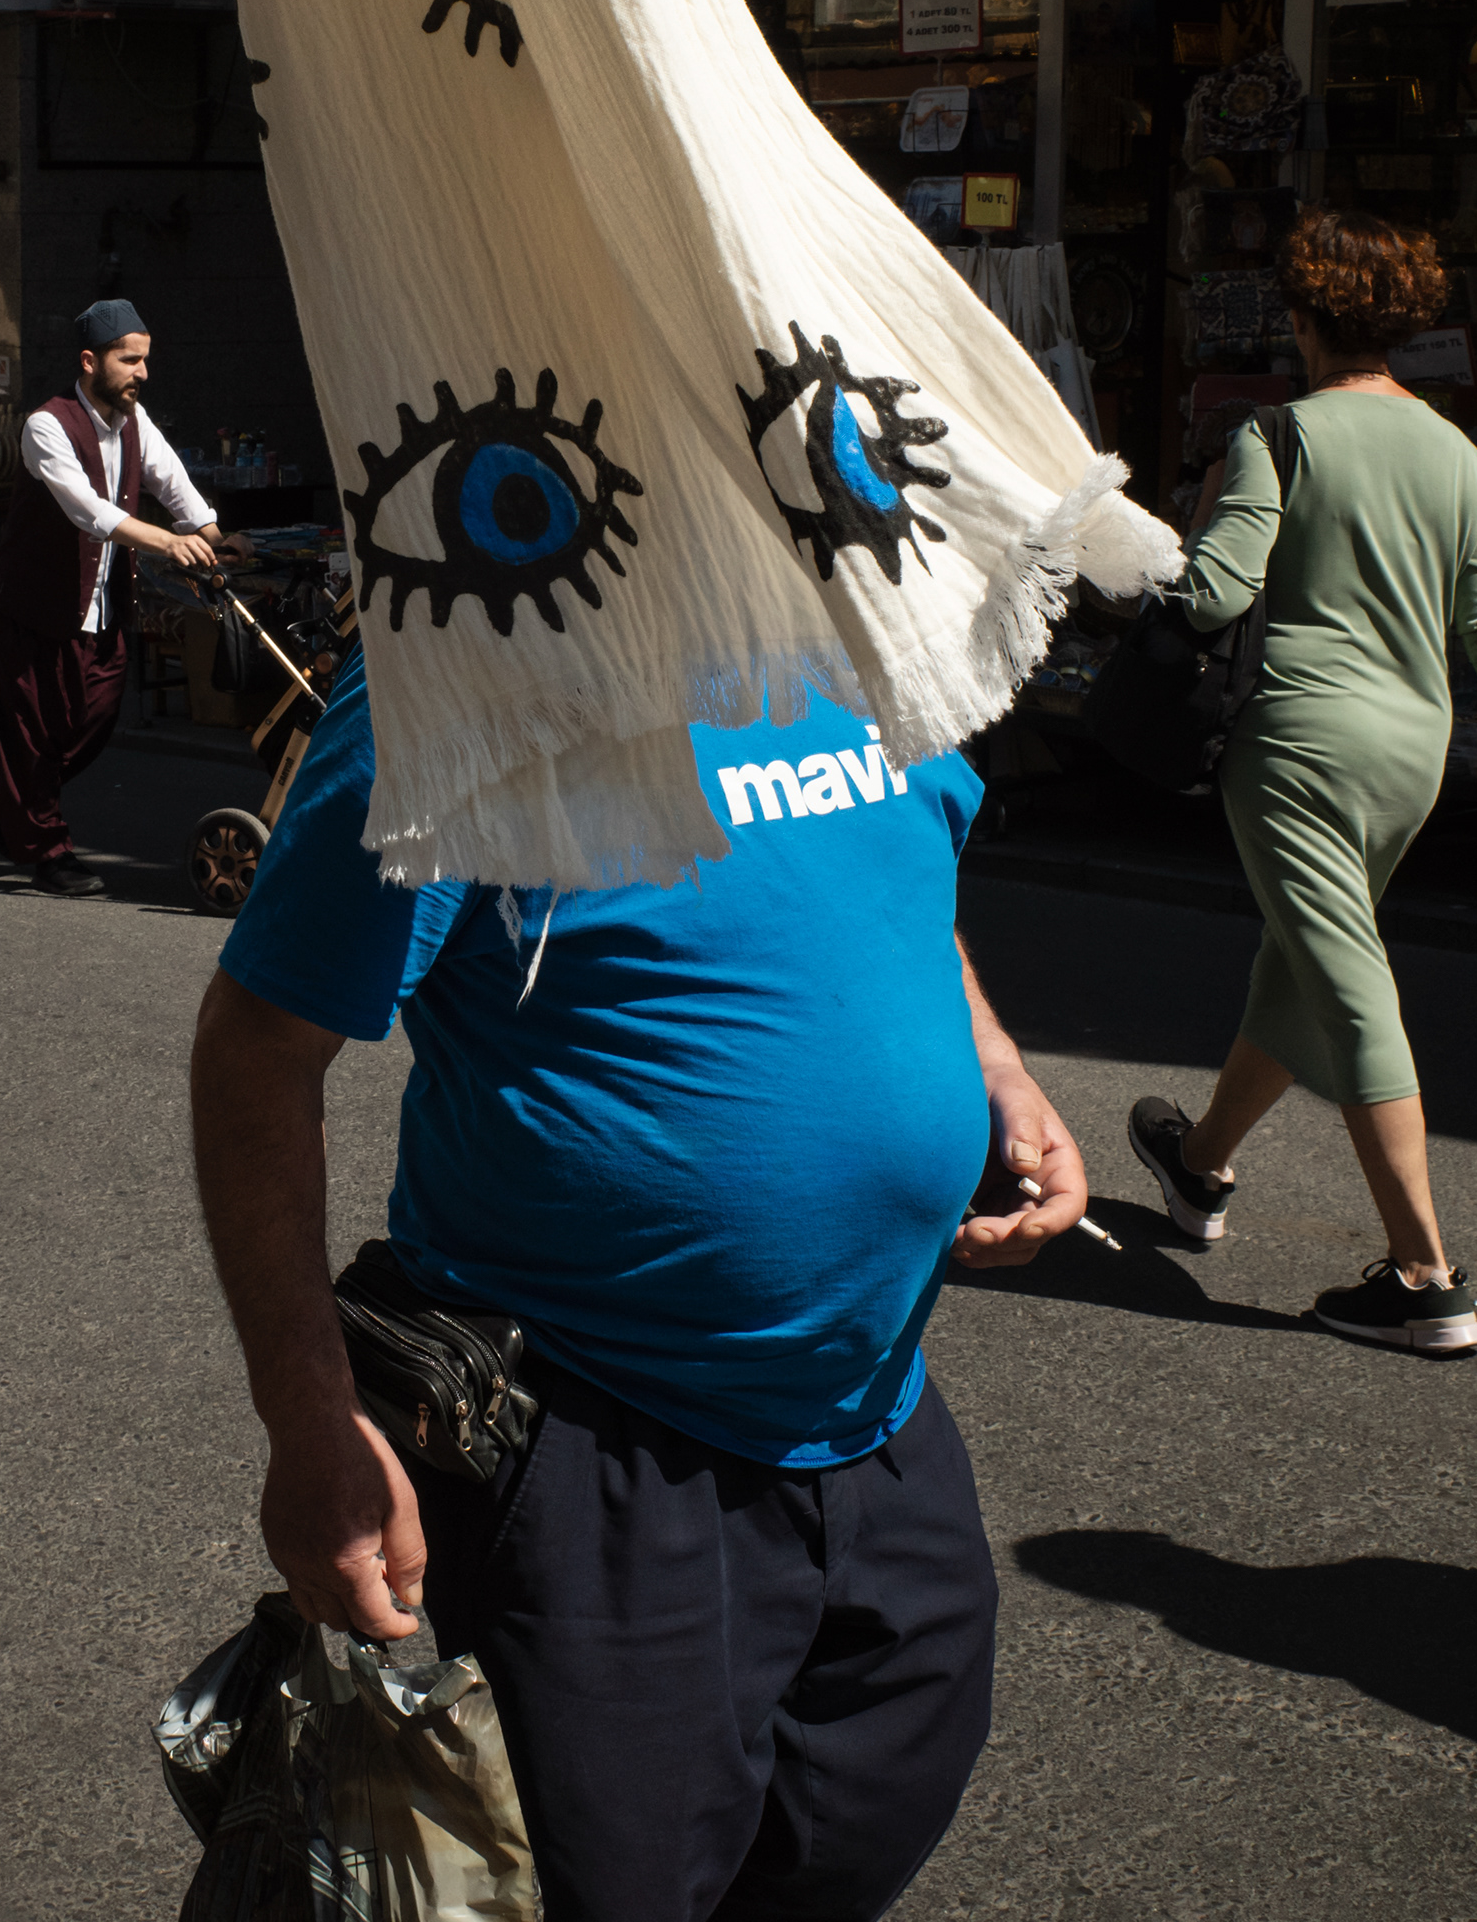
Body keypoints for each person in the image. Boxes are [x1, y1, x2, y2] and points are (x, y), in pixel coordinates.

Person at [191, 657, 1088, 1920]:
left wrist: (989, 1055)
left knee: (871, 1810)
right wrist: (308, 1417)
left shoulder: (875, 615)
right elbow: (258, 1051)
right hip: (594, 1441)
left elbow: (910, 870)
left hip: (878, 1417)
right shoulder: (460, 671)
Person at [1121, 210, 1477, 1354]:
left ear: (1303, 316)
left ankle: (1426, 1276)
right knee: (1306, 953)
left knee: (1346, 978)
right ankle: (1200, 1163)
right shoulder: (1459, 454)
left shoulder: (1277, 433)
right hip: (1410, 754)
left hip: (1297, 745)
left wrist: (1122, 547)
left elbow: (1218, 592)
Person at [0, 298, 221, 897]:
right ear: (89, 361)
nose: (142, 372)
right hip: (34, 607)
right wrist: (167, 544)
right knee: (35, 733)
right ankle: (50, 852)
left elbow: (171, 480)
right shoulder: (45, 425)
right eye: (129, 360)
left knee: (93, 721)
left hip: (101, 607)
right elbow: (88, 511)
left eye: (145, 360)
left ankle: (2, 789)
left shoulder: (135, 422)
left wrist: (211, 535)